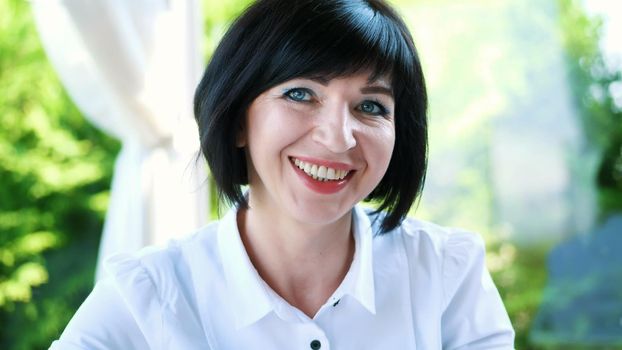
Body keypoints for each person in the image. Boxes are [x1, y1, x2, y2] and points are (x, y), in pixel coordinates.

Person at [50, 0, 515, 349]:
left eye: (370, 106)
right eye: (300, 94)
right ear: (236, 120)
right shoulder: (145, 297)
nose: (339, 137)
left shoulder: (449, 274)